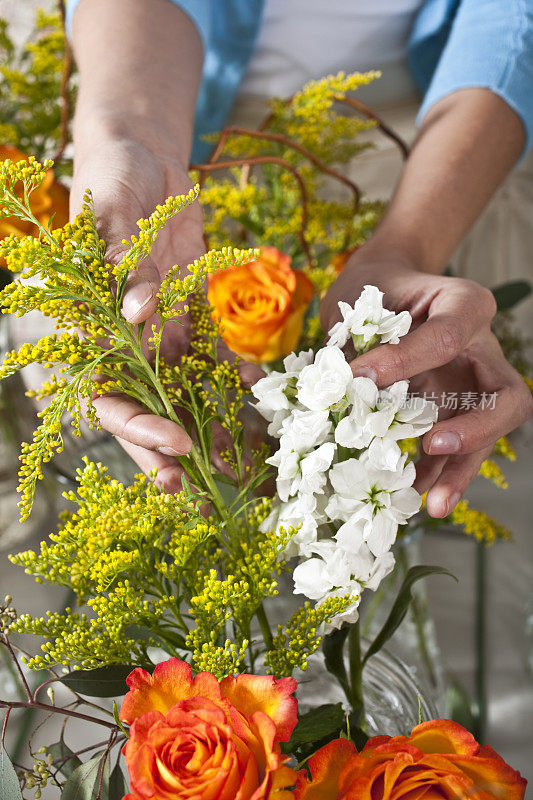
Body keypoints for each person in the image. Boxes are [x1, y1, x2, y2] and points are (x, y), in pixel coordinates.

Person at [65, 0, 533, 518]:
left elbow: (510, 22)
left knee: (458, 438)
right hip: (191, 137)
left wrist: (407, 248)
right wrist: (131, 142)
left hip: (446, 159)